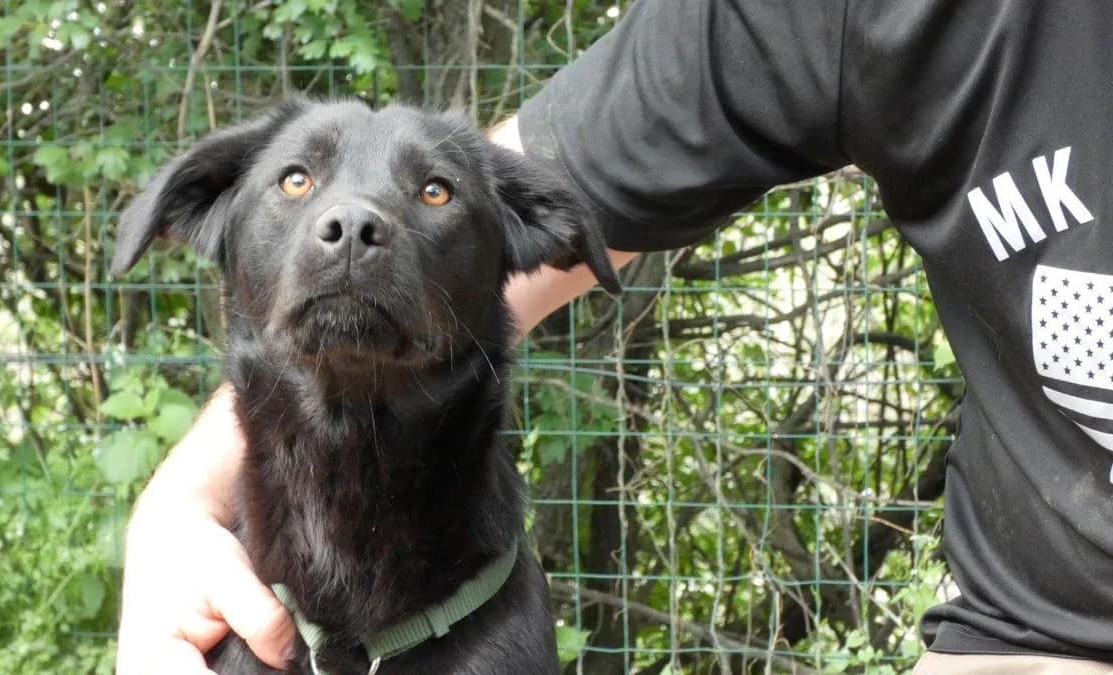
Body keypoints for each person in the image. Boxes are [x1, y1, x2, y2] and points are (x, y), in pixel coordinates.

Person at [116, 1, 1113, 673]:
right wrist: (173, 508)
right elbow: (573, 154)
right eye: (298, 184)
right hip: (1041, 638)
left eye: (432, 195)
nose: (351, 221)